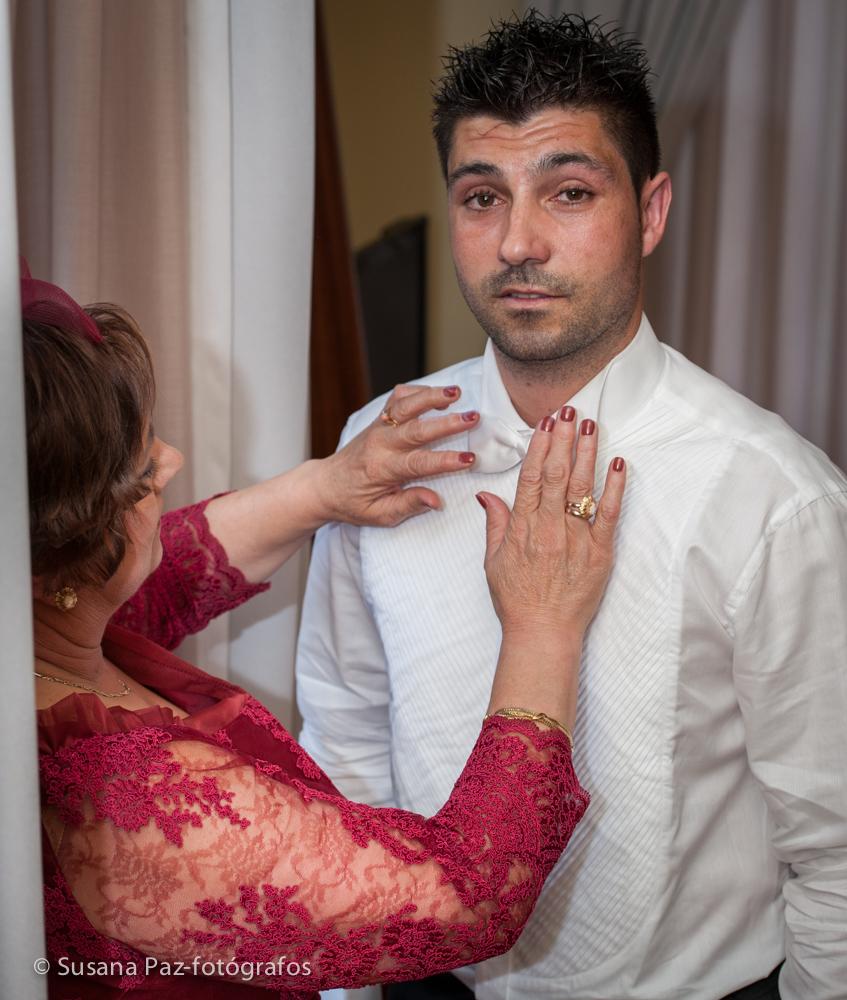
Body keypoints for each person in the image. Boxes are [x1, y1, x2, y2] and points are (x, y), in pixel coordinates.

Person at [296, 11, 847, 1000]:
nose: (516, 241)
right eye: (480, 196)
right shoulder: (379, 444)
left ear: (649, 211)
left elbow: (836, 843)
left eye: (569, 192)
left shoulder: (773, 494)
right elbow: (346, 739)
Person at [23, 261, 627, 999]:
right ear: (60, 563)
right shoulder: (116, 808)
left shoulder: (36, 637)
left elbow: (167, 570)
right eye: (140, 471)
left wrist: (323, 489)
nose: (171, 462)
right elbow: (469, 896)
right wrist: (542, 628)